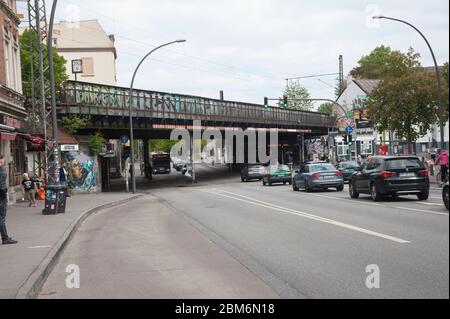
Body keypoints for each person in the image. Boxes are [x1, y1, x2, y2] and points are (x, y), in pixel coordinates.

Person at [0, 155, 17, 245]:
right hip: (1, 198)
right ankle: (5, 238)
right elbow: (1, 187)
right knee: (1, 219)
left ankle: (5, 237)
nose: (1, 162)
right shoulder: (2, 171)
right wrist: (4, 194)